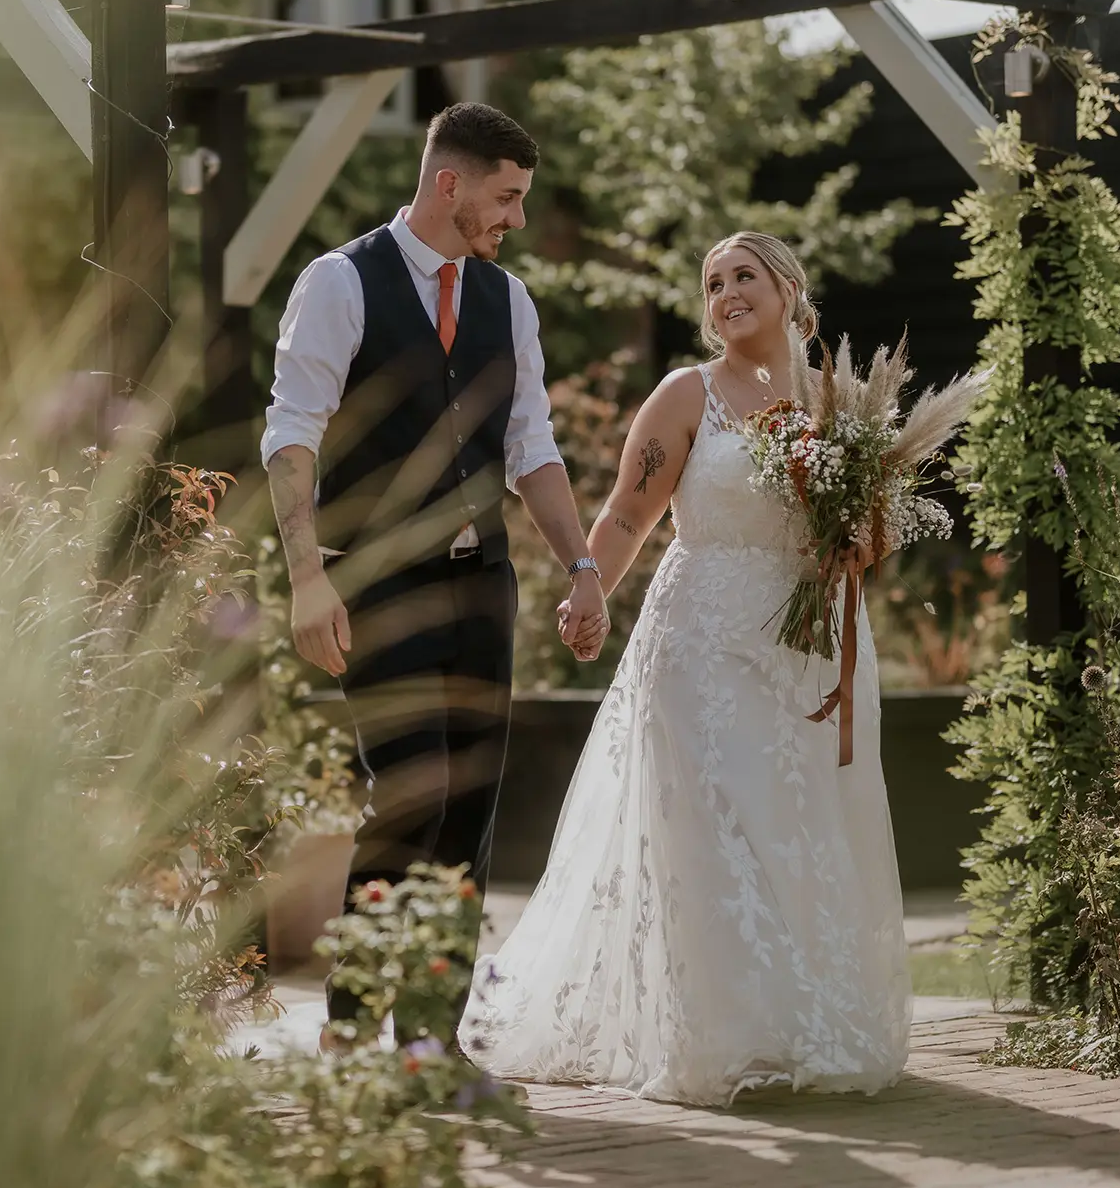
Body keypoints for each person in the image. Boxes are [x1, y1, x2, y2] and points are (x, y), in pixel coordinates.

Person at [462, 232, 911, 1104]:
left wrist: (865, 539)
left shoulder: (840, 401)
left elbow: (871, 523)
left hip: (810, 643)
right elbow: (631, 512)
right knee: (711, 826)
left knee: (799, 824)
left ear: (788, 289)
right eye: (712, 283)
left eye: (744, 276)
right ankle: (725, 1037)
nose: (727, 293)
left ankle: (803, 1026)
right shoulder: (685, 394)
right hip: (702, 641)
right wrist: (589, 591)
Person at [262, 103, 604, 1048]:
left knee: (473, 805)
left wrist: (580, 566)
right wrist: (305, 580)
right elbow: (292, 436)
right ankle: (353, 1021)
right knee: (410, 794)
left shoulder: (509, 300)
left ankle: (426, 1037)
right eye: (506, 197)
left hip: (482, 585)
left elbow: (532, 448)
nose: (516, 219)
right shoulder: (340, 283)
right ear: (448, 182)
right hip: (378, 583)